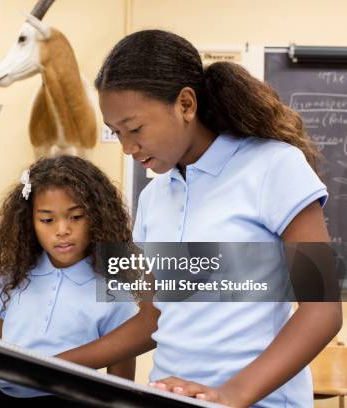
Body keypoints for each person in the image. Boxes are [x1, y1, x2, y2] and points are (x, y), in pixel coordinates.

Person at [56, 30, 343, 407]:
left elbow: (322, 311)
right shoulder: (153, 196)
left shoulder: (274, 166)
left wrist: (231, 394)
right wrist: (53, 365)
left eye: (136, 128)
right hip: (170, 397)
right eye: (117, 133)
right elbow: (152, 316)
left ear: (186, 104)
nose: (127, 148)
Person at [0, 156, 139, 408]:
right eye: (47, 220)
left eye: (76, 216)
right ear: (30, 221)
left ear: (96, 217)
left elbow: (122, 377)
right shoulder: (11, 276)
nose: (62, 230)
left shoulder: (113, 285)